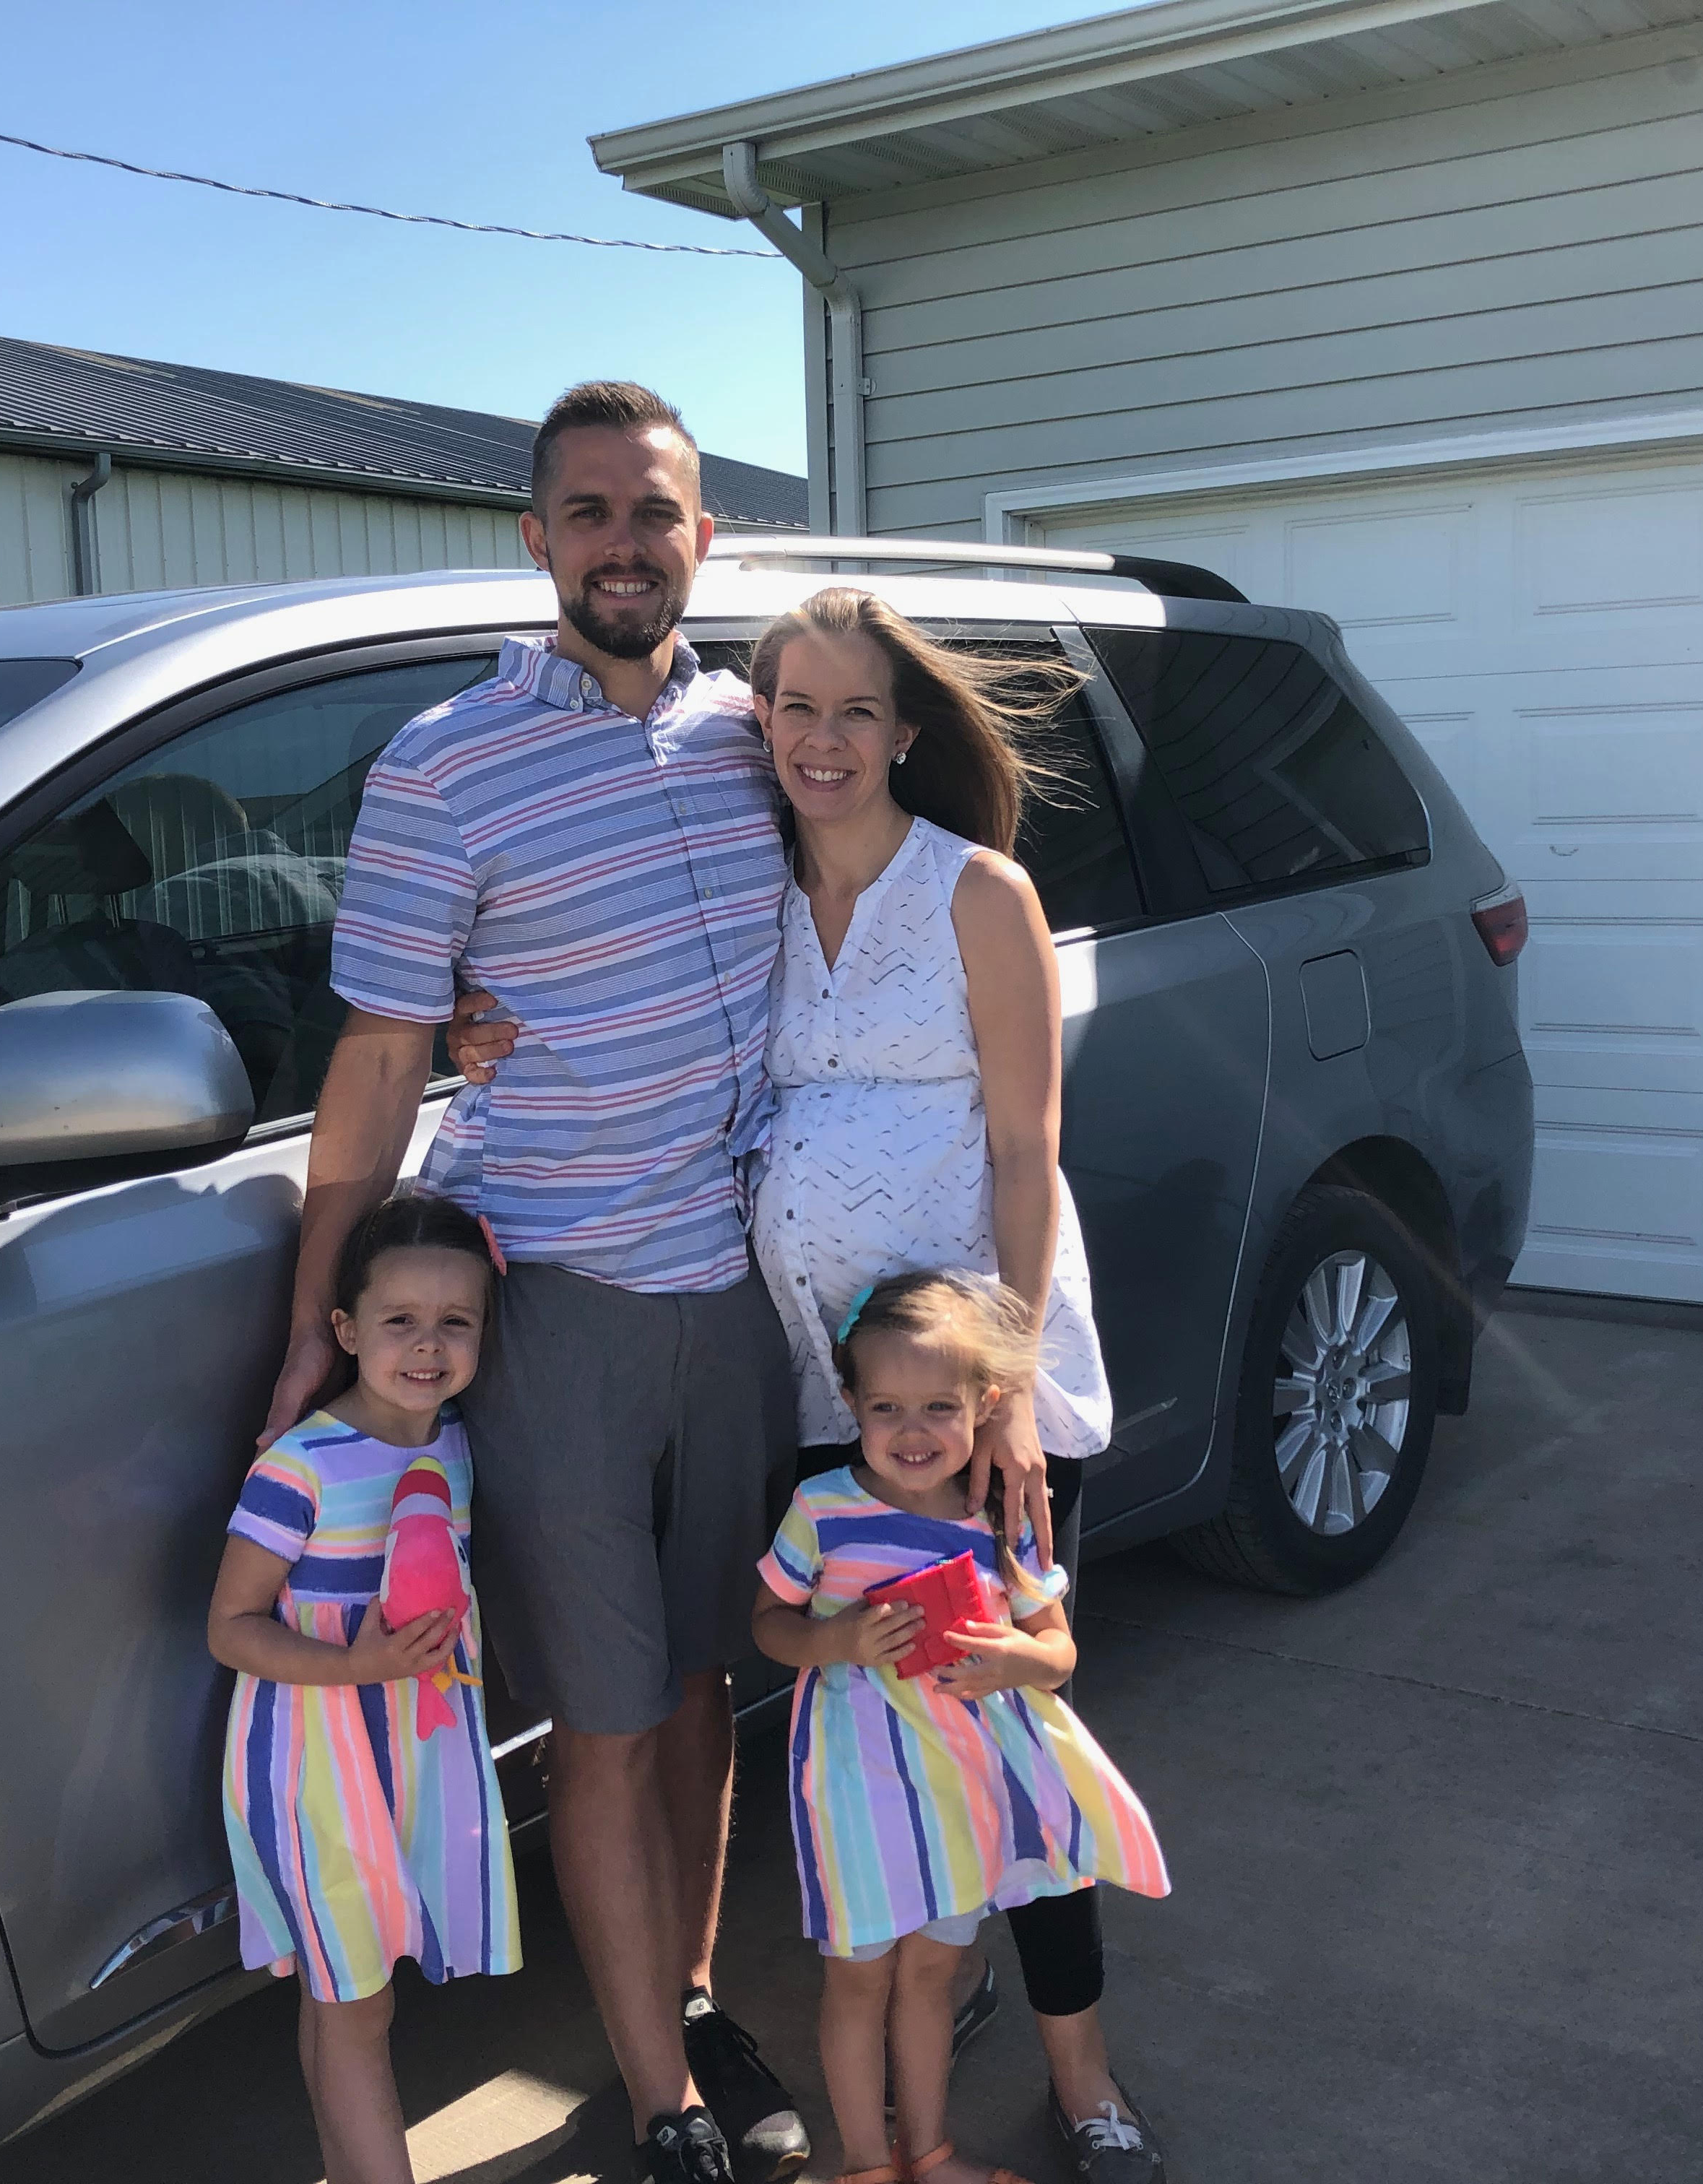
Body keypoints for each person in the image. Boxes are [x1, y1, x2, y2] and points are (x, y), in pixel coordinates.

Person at [458, 584, 1178, 2183]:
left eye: (856, 711)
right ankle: (933, 1982)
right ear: (757, 723)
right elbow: (601, 992)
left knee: (1010, 1734)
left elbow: (1021, 1143)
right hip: (817, 1399)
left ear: (907, 729)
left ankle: (1086, 2083)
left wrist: (1000, 1388)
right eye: (793, 708)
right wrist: (480, 1020)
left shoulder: (973, 893)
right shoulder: (750, 889)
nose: (822, 739)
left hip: (971, 1399)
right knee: (879, 1724)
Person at [261, 381, 806, 2184]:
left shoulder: (758, 736)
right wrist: (309, 1327)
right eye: (587, 514)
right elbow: (381, 1047)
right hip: (557, 1296)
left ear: (703, 536)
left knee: (712, 1689)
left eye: (654, 512)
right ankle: (660, 2099)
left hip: (737, 1295)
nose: (624, 545)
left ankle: (704, 1998)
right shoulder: (446, 762)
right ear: (536, 542)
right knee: (609, 1717)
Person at [752, 1273, 1168, 2184]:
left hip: (959, 1795)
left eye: (940, 1407)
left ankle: (929, 2152)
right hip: (855, 1790)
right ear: (849, 1403)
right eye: (887, 1406)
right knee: (859, 1979)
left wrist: (1013, 1661)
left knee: (933, 1977)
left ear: (985, 1408)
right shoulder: (823, 1510)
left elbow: (1056, 1651)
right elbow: (768, 1626)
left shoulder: (997, 1522)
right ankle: (867, 2162)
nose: (911, 1431)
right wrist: (837, 1639)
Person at [209, 1192, 519, 2184]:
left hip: (414, 1757)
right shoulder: (299, 1467)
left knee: (344, 1995)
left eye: (454, 1323)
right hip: (316, 1771)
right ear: (346, 1330)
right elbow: (230, 1628)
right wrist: (354, 1665)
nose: (427, 1346)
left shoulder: (457, 1445)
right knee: (358, 2003)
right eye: (399, 1322)